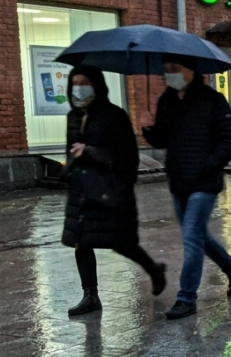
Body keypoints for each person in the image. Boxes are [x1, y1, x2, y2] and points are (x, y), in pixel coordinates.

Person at [141, 55, 231, 320]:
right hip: (178, 181)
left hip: (204, 182)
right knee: (197, 235)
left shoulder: (212, 101)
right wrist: (148, 130)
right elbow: (163, 139)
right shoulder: (167, 101)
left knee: (191, 237)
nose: (169, 75)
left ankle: (187, 297)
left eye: (174, 69)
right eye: (165, 70)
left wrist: (207, 165)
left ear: (190, 70)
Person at [62, 65, 166, 317]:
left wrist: (91, 152)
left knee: (123, 243)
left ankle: (153, 270)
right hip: (83, 191)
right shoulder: (73, 117)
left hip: (110, 192)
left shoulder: (114, 116)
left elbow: (127, 158)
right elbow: (72, 149)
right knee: (81, 242)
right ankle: (90, 296)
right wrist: (70, 167)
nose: (79, 88)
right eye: (75, 83)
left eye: (85, 82)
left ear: (97, 85)